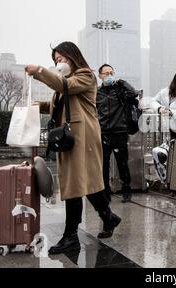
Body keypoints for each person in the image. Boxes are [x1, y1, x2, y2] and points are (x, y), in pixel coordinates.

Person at [25, 42, 121, 254]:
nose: (58, 63)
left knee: (76, 185)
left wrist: (40, 71)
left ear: (72, 56)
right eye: (56, 61)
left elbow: (64, 88)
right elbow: (56, 104)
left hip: (83, 137)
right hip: (70, 138)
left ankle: (71, 236)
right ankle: (108, 217)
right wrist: (37, 105)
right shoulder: (67, 81)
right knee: (82, 183)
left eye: (61, 59)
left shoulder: (85, 76)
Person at [96, 64, 138, 203]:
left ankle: (127, 190)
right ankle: (105, 192)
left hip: (120, 131)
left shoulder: (120, 90)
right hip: (103, 133)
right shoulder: (97, 93)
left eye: (111, 73)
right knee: (104, 165)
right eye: (106, 73)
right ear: (100, 76)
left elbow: (134, 93)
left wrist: (122, 82)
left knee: (122, 163)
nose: (109, 75)